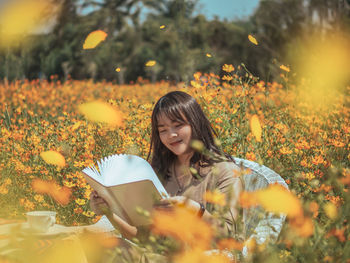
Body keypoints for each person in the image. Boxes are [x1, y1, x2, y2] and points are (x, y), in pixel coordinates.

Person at [90, 90, 243, 243]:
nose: (171, 135)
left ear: (196, 123)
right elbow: (144, 238)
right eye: (163, 130)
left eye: (178, 125)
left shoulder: (226, 172)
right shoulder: (159, 172)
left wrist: (195, 210)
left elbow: (230, 236)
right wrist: (109, 213)